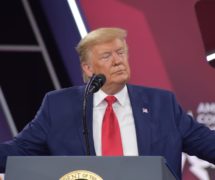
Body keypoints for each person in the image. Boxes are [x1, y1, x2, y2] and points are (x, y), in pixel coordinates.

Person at [0, 27, 215, 179]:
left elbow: (207, 143)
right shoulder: (59, 105)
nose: (117, 60)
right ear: (88, 69)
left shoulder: (161, 103)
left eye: (121, 53)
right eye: (106, 56)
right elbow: (20, 150)